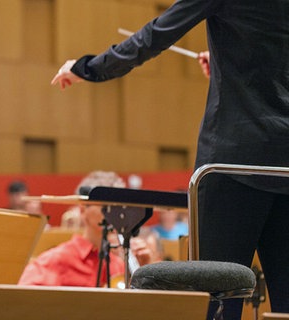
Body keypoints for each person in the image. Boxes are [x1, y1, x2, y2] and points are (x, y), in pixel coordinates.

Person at [51, 1, 289, 318]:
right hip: (284, 165)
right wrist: (228, 63)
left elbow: (156, 34)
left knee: (218, 300)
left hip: (232, 166)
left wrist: (88, 67)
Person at [18, 171, 126, 288]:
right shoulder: (57, 259)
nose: (113, 213)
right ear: (83, 209)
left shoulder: (118, 264)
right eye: (105, 206)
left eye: (117, 206)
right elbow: (23, 296)